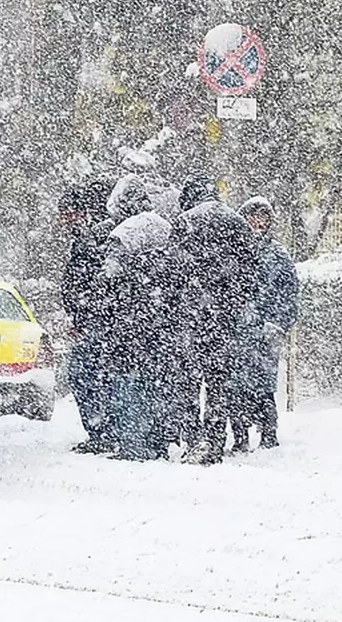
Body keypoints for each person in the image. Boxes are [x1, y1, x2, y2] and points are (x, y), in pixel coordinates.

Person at [172, 178, 261, 465]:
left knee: (187, 382)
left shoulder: (185, 222)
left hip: (191, 316)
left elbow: (171, 270)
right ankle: (214, 440)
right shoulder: (237, 223)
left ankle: (193, 439)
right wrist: (233, 303)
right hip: (223, 320)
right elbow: (252, 273)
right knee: (218, 383)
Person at [97, 176, 182, 461]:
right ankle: (159, 441)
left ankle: (133, 444)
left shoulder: (123, 234)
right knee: (159, 382)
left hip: (130, 324)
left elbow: (109, 278)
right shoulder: (166, 227)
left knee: (129, 383)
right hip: (164, 323)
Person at [230, 197, 298, 450]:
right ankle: (240, 438)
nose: (259, 222)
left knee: (263, 386)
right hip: (237, 332)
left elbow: (289, 292)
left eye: (264, 217)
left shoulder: (277, 253)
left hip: (265, 333)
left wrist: (279, 323)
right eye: (254, 216)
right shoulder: (233, 249)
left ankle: (268, 434)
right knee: (234, 387)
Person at [59, 178, 117, 453]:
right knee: (93, 376)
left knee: (87, 375)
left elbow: (88, 285)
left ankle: (101, 432)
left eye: (69, 213)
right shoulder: (90, 238)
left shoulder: (90, 240)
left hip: (94, 322)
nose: (65, 220)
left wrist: (82, 318)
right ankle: (102, 431)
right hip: (94, 320)